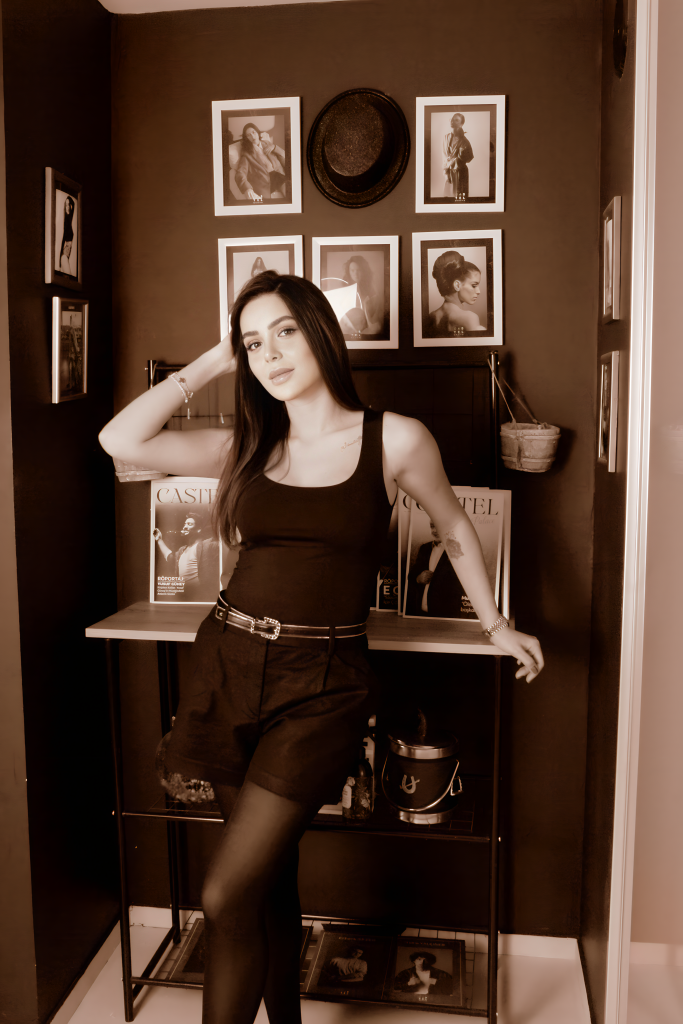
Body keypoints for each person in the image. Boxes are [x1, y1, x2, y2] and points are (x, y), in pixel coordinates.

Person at [98, 271, 543, 1024]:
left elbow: (451, 524)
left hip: (323, 682)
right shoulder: (246, 443)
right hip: (227, 663)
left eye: (284, 332)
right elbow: (120, 440)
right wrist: (213, 359)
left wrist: (494, 624)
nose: (269, 354)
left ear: (320, 333)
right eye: (253, 343)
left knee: (224, 893)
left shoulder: (394, 438)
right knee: (263, 882)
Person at [406, 520, 468, 618]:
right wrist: (418, 578)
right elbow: (411, 575)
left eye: (439, 526)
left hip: (444, 615)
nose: (435, 530)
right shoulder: (424, 548)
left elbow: (462, 584)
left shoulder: (458, 550)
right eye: (432, 526)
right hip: (420, 612)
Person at [152, 512, 219, 601]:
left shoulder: (208, 545)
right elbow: (171, 558)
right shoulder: (182, 550)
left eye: (189, 524)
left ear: (199, 529)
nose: (185, 527)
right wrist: (159, 540)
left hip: (200, 596)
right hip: (184, 596)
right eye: (185, 524)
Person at [426, 250, 485, 337]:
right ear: (457, 285)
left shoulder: (431, 316)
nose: (478, 291)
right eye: (474, 285)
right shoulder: (469, 318)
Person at [338, 255, 382, 337]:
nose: (355, 274)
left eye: (358, 270)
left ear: (364, 271)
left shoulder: (371, 292)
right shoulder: (344, 291)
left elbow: (374, 323)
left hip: (366, 331)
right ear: (349, 272)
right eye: (352, 270)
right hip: (347, 331)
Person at [442, 112, 474, 200]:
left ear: (461, 124)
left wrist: (455, 160)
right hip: (449, 172)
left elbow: (469, 157)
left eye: (456, 120)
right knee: (447, 199)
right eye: (452, 119)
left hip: (460, 173)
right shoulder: (446, 138)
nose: (452, 121)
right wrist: (446, 173)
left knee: (460, 199)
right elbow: (444, 156)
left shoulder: (465, 141)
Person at [260, 129, 288, 198]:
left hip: (282, 175)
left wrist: (274, 147)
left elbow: (284, 156)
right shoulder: (255, 153)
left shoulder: (272, 148)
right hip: (272, 179)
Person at [59, 195, 75, 275]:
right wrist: (60, 259)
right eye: (66, 205)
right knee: (68, 275)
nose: (68, 207)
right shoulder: (66, 222)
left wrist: (68, 198)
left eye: (68, 205)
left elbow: (73, 204)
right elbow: (63, 239)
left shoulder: (70, 218)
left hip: (67, 256)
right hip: (64, 255)